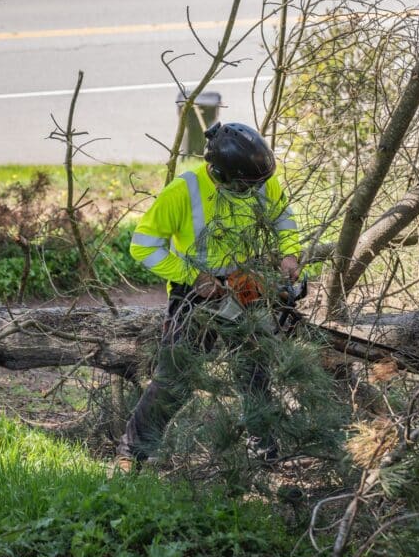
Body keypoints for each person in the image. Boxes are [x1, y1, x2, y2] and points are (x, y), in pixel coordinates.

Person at [116, 122, 301, 471]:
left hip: (246, 282)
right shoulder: (183, 191)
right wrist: (191, 276)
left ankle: (264, 450)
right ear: (221, 174)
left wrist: (289, 252)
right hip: (195, 294)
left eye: (257, 184)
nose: (254, 190)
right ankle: (132, 453)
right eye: (245, 186)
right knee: (176, 377)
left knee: (255, 371)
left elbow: (282, 217)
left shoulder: (258, 178)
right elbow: (143, 246)